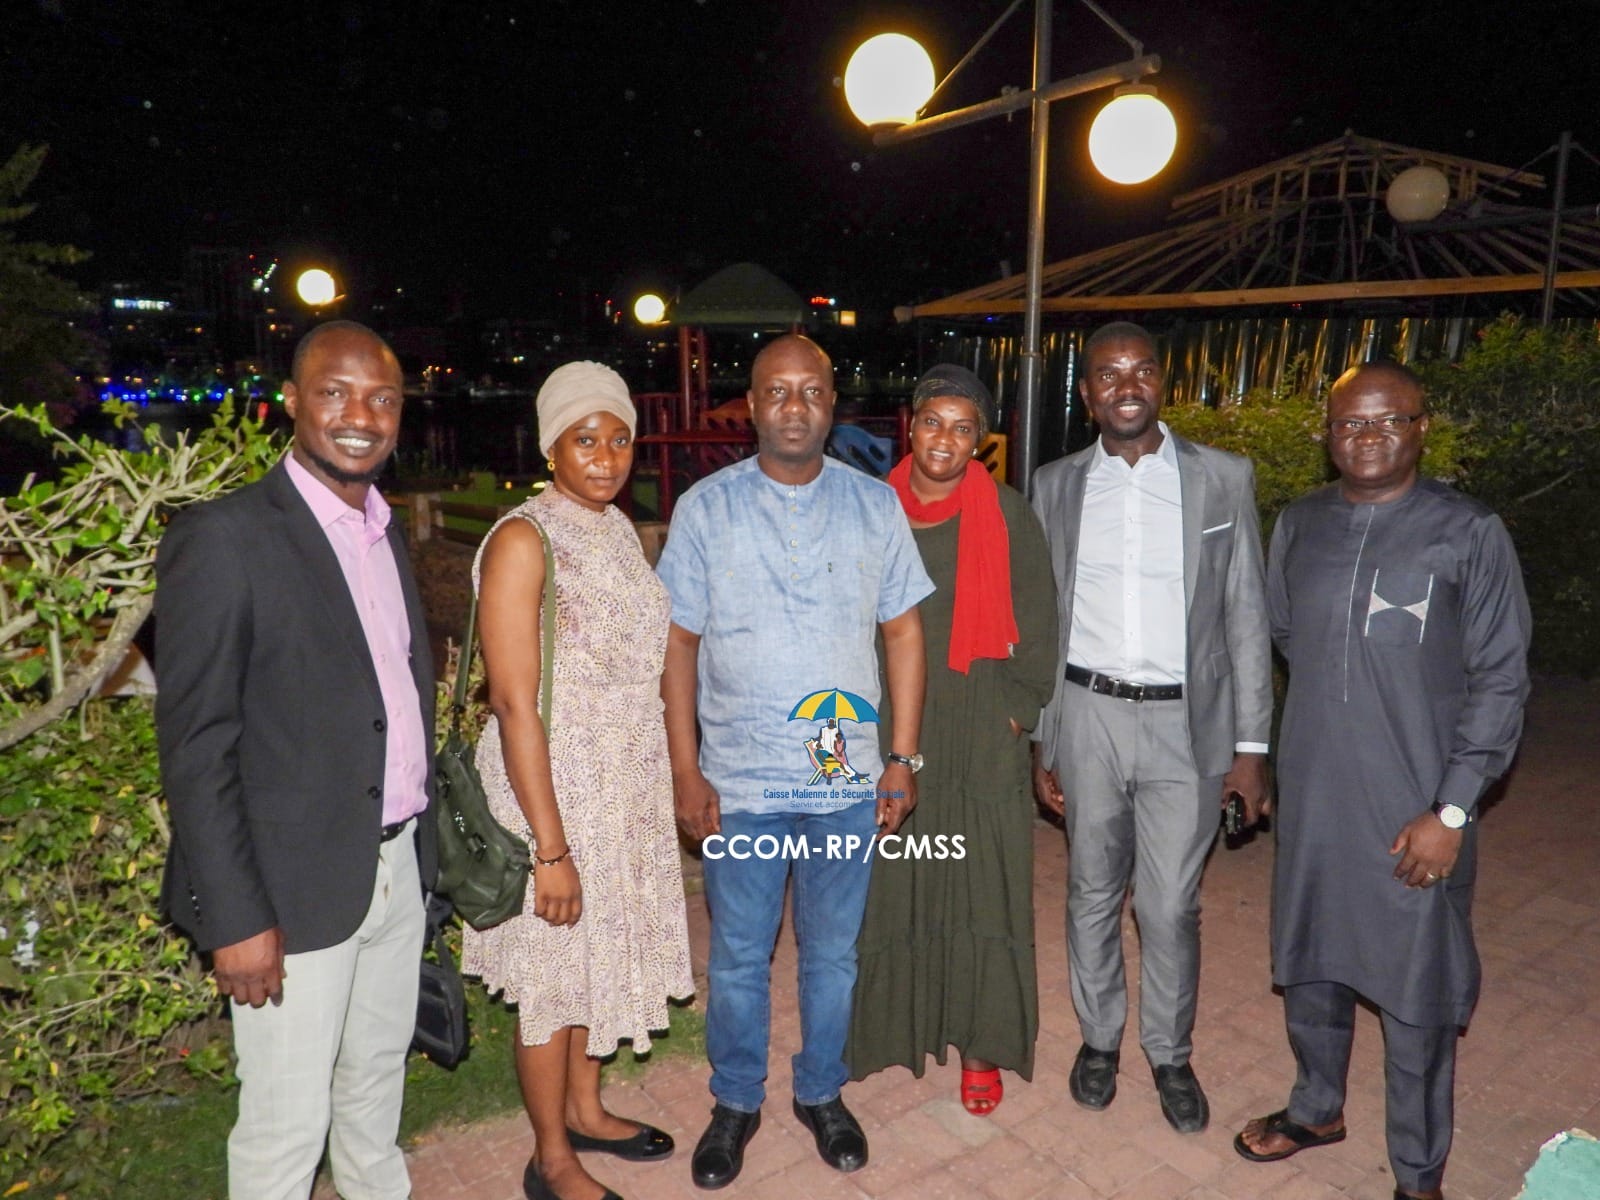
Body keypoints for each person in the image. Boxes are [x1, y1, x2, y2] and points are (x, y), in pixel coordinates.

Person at [1234, 362, 1531, 1200]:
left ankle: (1418, 1172)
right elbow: (1283, 633)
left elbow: (1503, 679)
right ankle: (1317, 1107)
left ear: (1421, 428)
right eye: (1349, 425)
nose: (1367, 437)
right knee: (1313, 961)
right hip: (1318, 794)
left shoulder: (1467, 531)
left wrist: (1453, 808)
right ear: (1328, 437)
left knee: (1416, 994)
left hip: (1416, 808)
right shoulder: (1300, 522)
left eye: (1387, 421)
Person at [156, 321, 435, 1199]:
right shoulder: (226, 538)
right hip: (287, 889)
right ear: (291, 401)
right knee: (284, 1126)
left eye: (382, 398)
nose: (361, 414)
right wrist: (235, 916)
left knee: (373, 1089)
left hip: (396, 865)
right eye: (335, 392)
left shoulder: (385, 531)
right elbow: (197, 748)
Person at [657, 334, 934, 1190]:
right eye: (776, 391)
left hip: (842, 782)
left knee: (832, 953)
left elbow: (903, 632)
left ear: (831, 404)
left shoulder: (873, 506)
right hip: (739, 782)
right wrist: (685, 769)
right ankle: (736, 1100)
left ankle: (821, 1091)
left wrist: (900, 757)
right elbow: (678, 645)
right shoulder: (707, 508)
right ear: (753, 402)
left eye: (810, 391)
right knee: (739, 955)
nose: (793, 406)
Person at [1030, 320, 1273, 1134]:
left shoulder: (1221, 478)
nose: (1125, 385)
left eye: (1140, 371)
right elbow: (1045, 617)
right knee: (1092, 890)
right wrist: (1044, 738)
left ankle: (1169, 1051)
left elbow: (1245, 616)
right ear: (1088, 391)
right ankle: (1100, 1039)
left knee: (1170, 905)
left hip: (1187, 724)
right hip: (1088, 713)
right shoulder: (1056, 483)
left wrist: (1251, 749)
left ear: (1163, 382)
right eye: (1108, 373)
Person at [463, 361, 694, 1200]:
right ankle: (550, 1155)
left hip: (621, 783)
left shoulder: (617, 529)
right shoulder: (524, 539)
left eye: (619, 438)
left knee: (600, 959)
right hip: (551, 788)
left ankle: (589, 1109)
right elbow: (517, 704)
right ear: (550, 444)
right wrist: (548, 851)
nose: (605, 457)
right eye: (584, 439)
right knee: (554, 978)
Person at [846, 364, 1059, 1116]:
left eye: (963, 427)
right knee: (894, 880)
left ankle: (981, 1047)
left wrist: (1017, 713)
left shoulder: (1006, 513)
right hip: (886, 721)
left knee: (983, 884)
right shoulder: (869, 508)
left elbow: (1040, 623)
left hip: (977, 726)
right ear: (910, 425)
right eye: (933, 421)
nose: (945, 438)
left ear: (981, 440)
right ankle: (891, 1028)